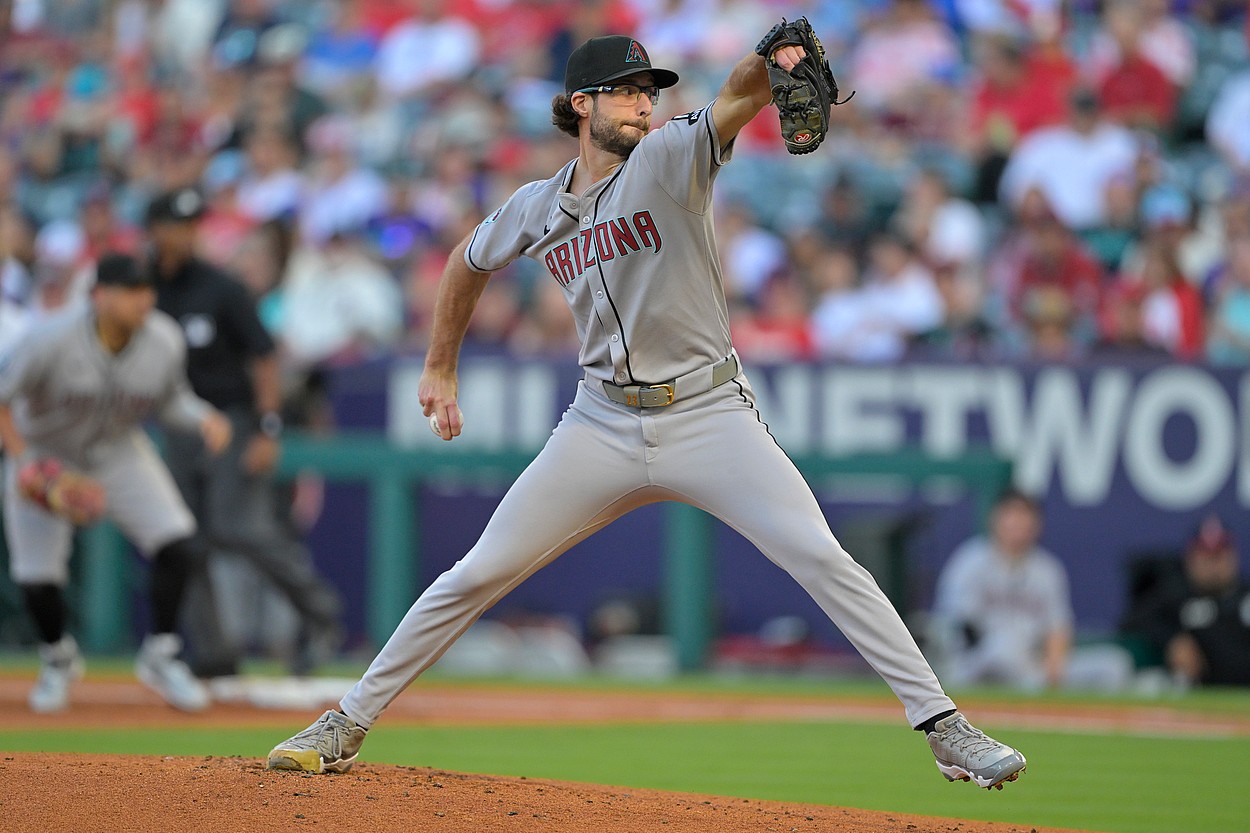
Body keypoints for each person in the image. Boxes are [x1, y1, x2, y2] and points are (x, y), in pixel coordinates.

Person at [266, 31, 1027, 790]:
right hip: (599, 422)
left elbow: (736, 95)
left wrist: (770, 64)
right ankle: (347, 721)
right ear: (581, 103)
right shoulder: (536, 206)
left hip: (707, 412)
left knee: (824, 559)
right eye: (627, 90)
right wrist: (439, 364)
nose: (643, 103)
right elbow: (466, 266)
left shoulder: (669, 158)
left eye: (648, 91)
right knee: (477, 571)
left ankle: (943, 726)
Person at [0, 253, 231, 712]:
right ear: (100, 295)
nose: (143, 299)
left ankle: (161, 654)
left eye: (146, 289)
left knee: (178, 543)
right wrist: (24, 462)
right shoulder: (50, 338)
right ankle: (57, 659)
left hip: (117, 449)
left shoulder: (163, 338)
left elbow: (171, 401)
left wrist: (202, 417)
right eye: (130, 290)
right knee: (37, 577)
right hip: (44, 453)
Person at [145, 186, 343, 682]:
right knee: (184, 539)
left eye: (192, 226)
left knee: (243, 528)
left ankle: (320, 615)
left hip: (231, 420)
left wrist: (266, 428)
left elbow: (263, 357)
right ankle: (215, 650)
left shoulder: (221, 288)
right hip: (178, 425)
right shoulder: (142, 289)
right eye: (176, 226)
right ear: (155, 231)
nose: (185, 235)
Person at [930, 488, 1134, 691]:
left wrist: (1054, 665)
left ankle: (1047, 697)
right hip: (976, 663)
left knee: (1115, 664)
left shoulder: (1047, 569)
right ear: (995, 519)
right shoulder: (970, 561)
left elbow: (1058, 626)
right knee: (1004, 648)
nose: (1018, 525)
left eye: (1025, 518)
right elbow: (959, 628)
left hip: (1031, 666)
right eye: (1012, 516)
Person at [1120, 515, 1250, 688]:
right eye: (1205, 555)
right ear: (1190, 559)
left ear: (1233, 557)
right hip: (1199, 693)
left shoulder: (1245, 595)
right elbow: (1132, 621)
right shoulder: (1175, 596)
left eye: (1218, 555)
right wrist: (1172, 640)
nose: (1212, 565)